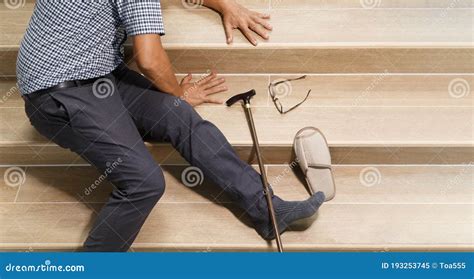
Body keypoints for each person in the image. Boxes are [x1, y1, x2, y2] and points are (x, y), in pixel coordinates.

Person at [17, 0, 325, 252]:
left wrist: (223, 4)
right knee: (144, 182)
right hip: (57, 93)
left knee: (176, 113)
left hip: (97, 74)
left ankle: (268, 211)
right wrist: (179, 91)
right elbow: (149, 59)